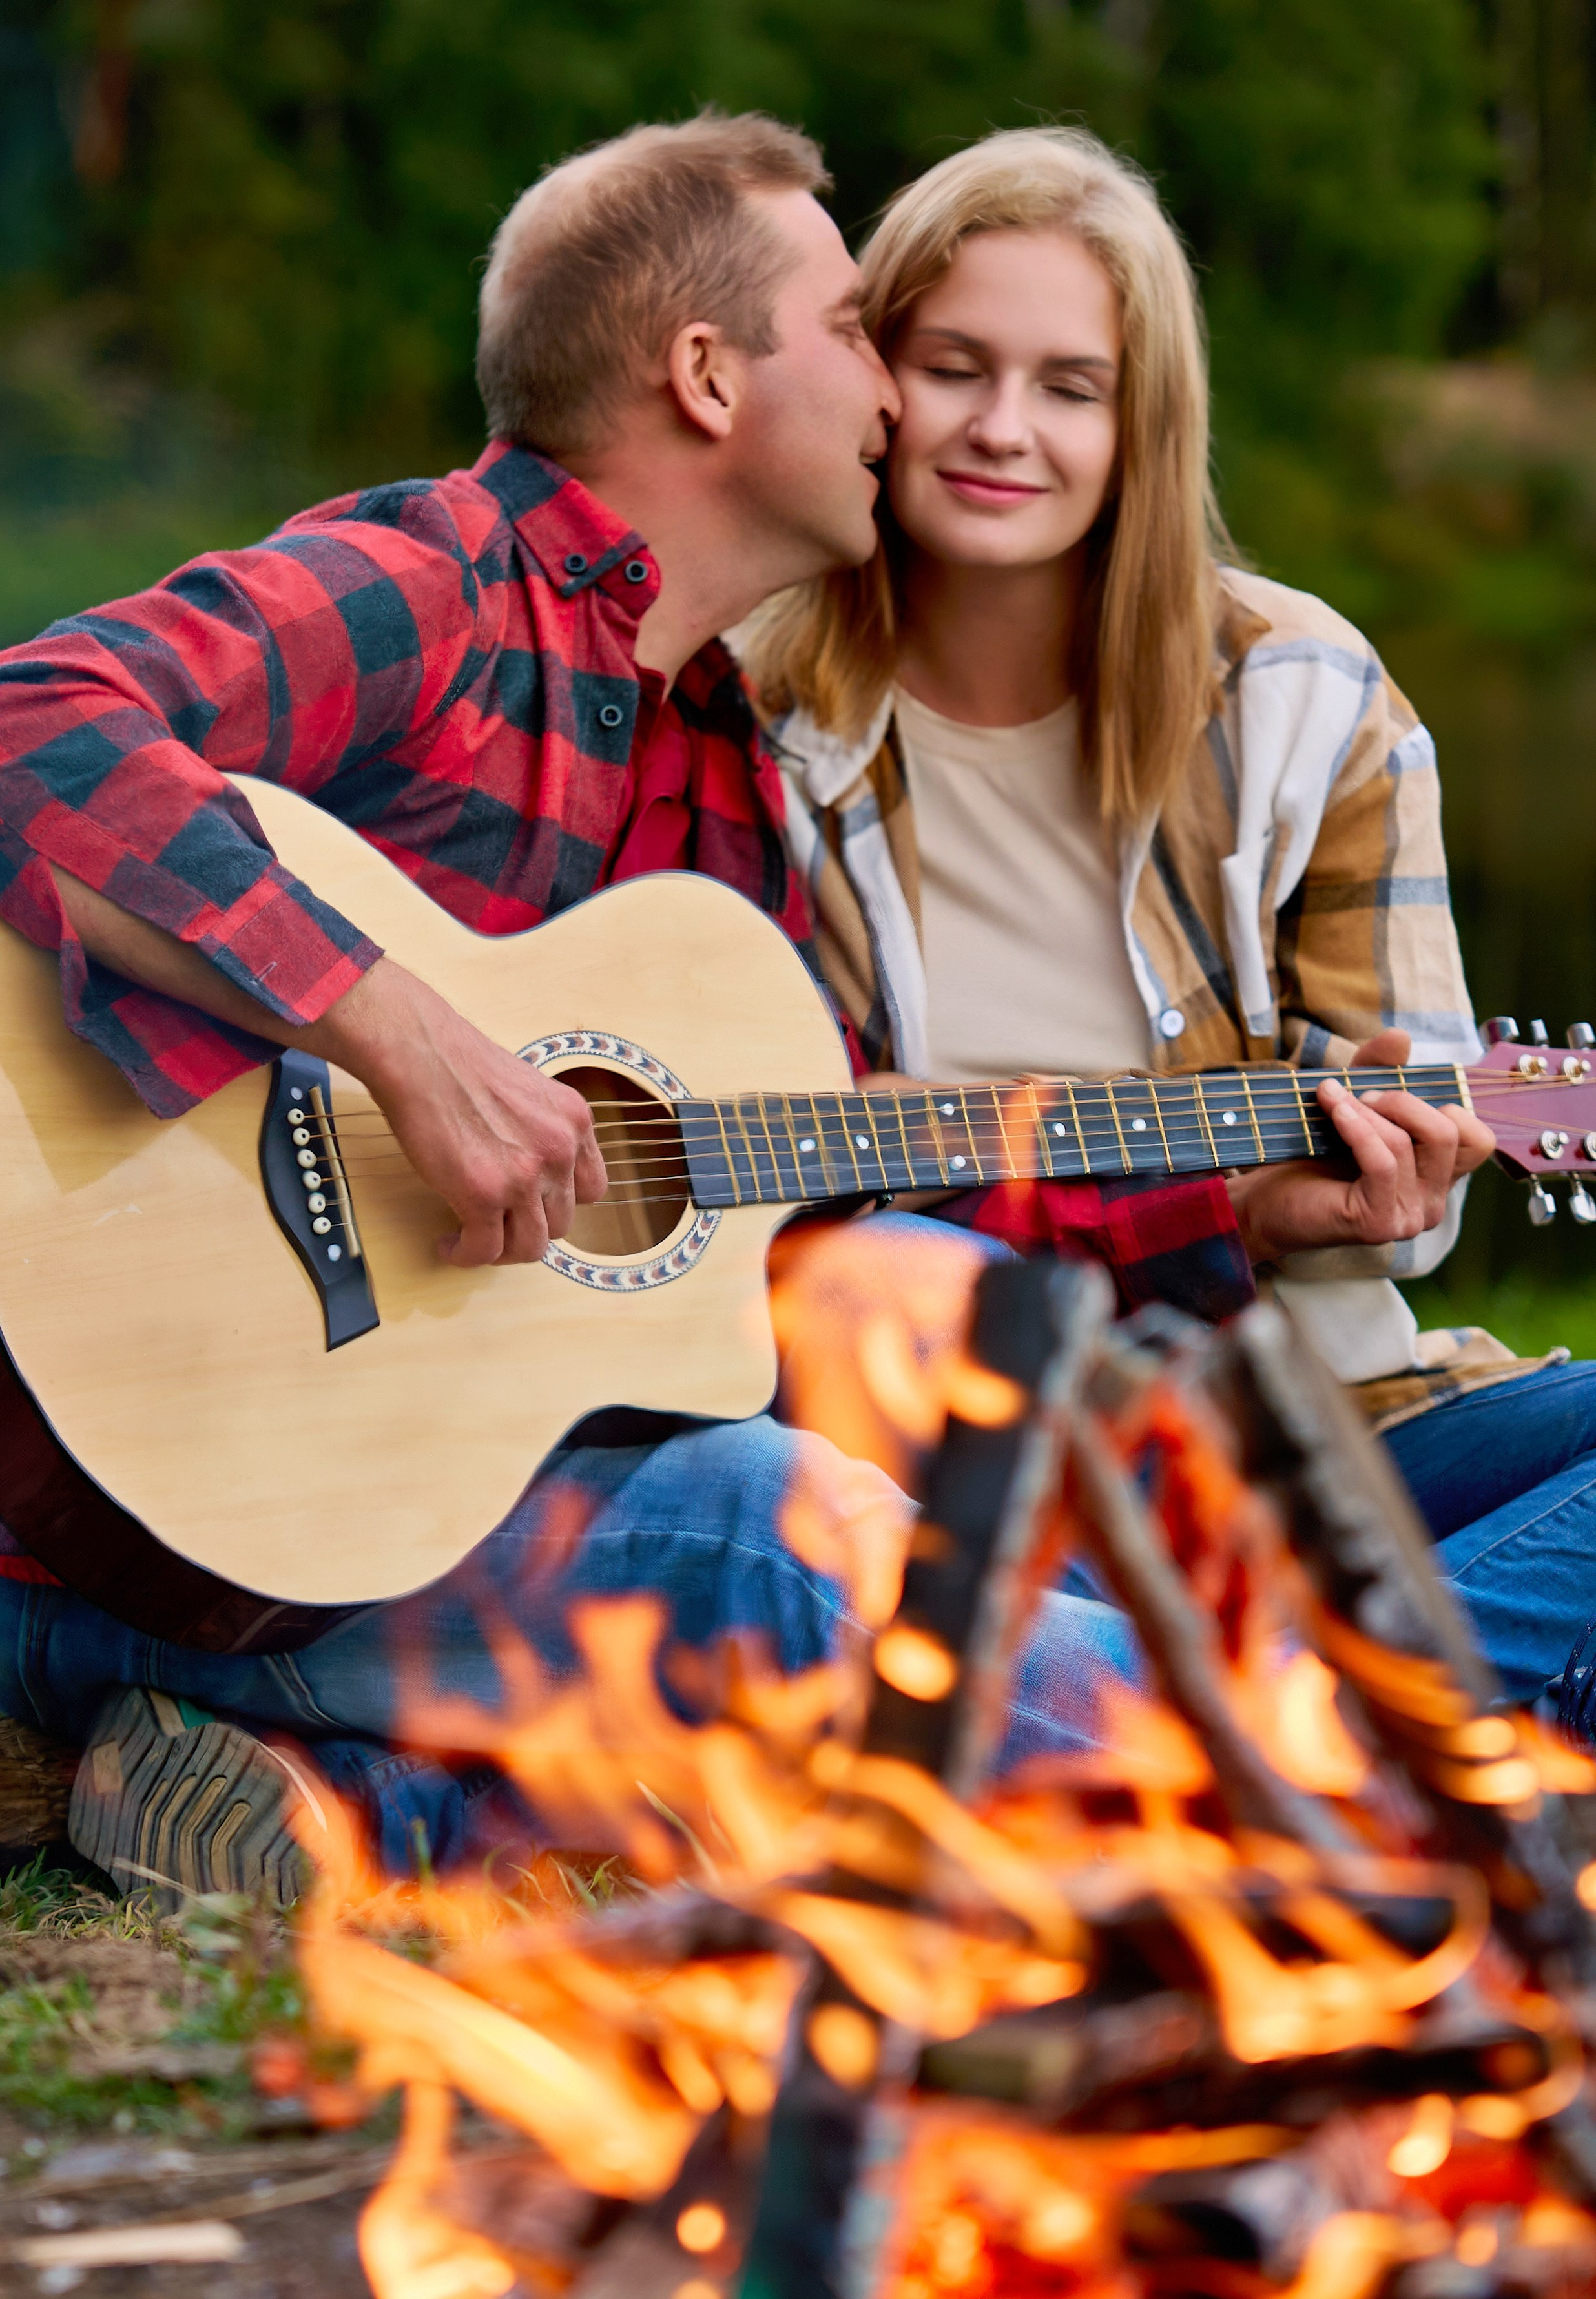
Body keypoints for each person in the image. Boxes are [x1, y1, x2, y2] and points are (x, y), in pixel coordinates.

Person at [0, 111, 1248, 1896]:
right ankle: (1374, 1777)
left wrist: (1258, 1171)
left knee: (974, 1344)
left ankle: (350, 1798)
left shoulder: (715, 780)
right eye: (849, 331)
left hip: (388, 1506)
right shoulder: (434, 585)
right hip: (134, 1513)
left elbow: (838, 1175)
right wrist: (402, 1036)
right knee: (769, 1535)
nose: (896, 390)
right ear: (707, 378)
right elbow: (30, 722)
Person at [741, 125, 1596, 1725]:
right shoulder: (754, 719)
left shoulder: (1301, 696)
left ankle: (1258, 1724)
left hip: (1320, 1431)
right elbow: (779, 1212)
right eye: (956, 367)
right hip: (949, 1457)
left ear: (1145, 423)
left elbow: (1404, 1188)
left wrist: (1379, 1196)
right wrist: (1214, 1214)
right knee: (893, 1279)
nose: (1007, 430)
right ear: (876, 379)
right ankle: (1361, 1733)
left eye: (1073, 386)